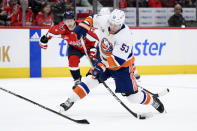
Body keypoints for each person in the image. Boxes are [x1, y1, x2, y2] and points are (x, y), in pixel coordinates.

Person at [59, 9, 165, 114]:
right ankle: (70, 100)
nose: (113, 27)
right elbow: (92, 18)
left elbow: (117, 61)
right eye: (111, 23)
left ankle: (152, 101)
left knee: (132, 98)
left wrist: (100, 65)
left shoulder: (126, 37)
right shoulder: (105, 20)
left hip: (122, 67)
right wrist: (83, 26)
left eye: (116, 25)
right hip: (103, 60)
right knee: (89, 81)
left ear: (122, 23)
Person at [39, 11, 98, 86]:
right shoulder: (61, 28)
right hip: (75, 47)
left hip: (89, 47)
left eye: (71, 21)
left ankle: (92, 72)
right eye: (67, 21)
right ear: (64, 21)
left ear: (74, 20)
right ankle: (77, 80)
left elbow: (95, 39)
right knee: (72, 61)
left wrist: (93, 50)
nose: (69, 23)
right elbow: (50, 33)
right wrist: (44, 40)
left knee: (97, 62)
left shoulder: (82, 27)